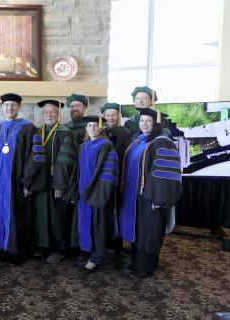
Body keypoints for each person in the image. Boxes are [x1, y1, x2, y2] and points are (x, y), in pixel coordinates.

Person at [120, 108, 182, 278]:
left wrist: (155, 195)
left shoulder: (162, 142)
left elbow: (165, 172)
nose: (144, 124)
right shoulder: (137, 141)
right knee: (137, 230)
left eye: (148, 121)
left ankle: (146, 267)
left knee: (149, 231)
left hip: (150, 196)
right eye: (142, 121)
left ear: (156, 123)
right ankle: (136, 262)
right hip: (133, 196)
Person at [0, 93, 46, 266]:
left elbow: (36, 157)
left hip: (17, 182)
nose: (9, 108)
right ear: (2, 108)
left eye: (13, 105)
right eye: (6, 105)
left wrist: (28, 182)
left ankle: (18, 252)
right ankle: (4, 249)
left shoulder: (28, 128)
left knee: (18, 216)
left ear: (19, 107)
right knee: (1, 214)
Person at [32, 100, 77, 264]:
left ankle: (59, 249)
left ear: (58, 115)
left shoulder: (65, 133)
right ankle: (44, 246)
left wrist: (59, 184)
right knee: (43, 215)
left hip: (56, 183)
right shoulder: (38, 132)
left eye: (52, 112)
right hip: (41, 183)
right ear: (42, 115)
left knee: (58, 217)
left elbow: (64, 161)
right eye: (46, 113)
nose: (49, 115)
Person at [75, 115, 118, 272]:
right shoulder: (83, 147)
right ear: (85, 128)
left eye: (95, 125)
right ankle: (88, 251)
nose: (92, 128)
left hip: (97, 194)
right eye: (89, 125)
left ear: (101, 128)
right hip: (83, 194)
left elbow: (108, 173)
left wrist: (101, 193)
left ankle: (97, 257)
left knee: (98, 226)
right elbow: (77, 171)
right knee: (85, 224)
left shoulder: (106, 146)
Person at [101, 102, 132, 255]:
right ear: (104, 117)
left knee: (117, 210)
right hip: (103, 177)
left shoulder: (125, 132)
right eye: (107, 115)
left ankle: (116, 243)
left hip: (118, 176)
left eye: (114, 115)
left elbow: (126, 156)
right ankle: (105, 241)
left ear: (118, 116)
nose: (111, 118)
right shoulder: (101, 131)